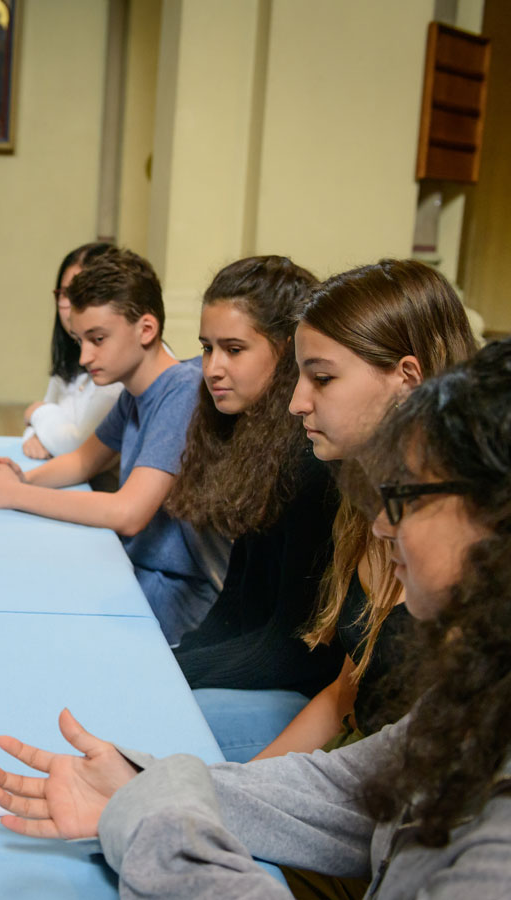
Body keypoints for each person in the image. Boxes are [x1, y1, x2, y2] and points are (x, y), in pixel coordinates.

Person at [0, 337, 511, 898]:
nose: (384, 524)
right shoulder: (481, 685)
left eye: (406, 498)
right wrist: (143, 787)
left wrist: (151, 821)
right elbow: (349, 788)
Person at [253, 259, 476, 760]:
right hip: (356, 761)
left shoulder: (469, 536)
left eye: (323, 378)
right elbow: (346, 690)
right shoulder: (361, 498)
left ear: (407, 379)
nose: (296, 402)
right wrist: (243, 783)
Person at [0, 248, 230, 645]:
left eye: (97, 339)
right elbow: (82, 461)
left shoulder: (182, 391)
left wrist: (16, 495)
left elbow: (128, 513)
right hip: (141, 569)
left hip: (177, 595)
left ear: (146, 329)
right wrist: (24, 477)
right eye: (80, 340)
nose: (84, 356)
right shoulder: (135, 391)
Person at [163, 256, 343, 763]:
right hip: (271, 667)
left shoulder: (311, 460)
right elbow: (236, 605)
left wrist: (171, 674)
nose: (212, 368)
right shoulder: (259, 443)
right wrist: (170, 661)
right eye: (206, 348)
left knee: (170, 712)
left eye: (234, 350)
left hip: (307, 692)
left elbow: (296, 647)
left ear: (287, 354)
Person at [21, 242, 123, 460]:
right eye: (67, 293)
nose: (74, 306)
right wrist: (38, 432)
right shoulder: (72, 354)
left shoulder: (117, 361)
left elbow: (79, 445)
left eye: (85, 293)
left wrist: (36, 412)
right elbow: (41, 429)